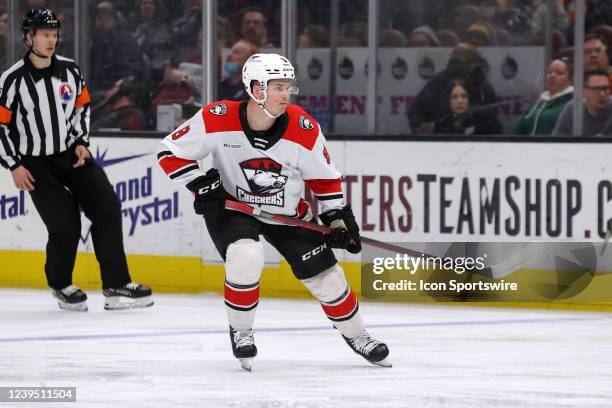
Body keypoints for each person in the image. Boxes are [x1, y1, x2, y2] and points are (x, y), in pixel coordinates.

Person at [158, 53, 390, 370]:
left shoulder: (302, 127)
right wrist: (202, 185)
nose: (285, 94)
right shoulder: (217, 116)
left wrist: (337, 218)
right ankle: (241, 332)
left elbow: (324, 177)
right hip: (233, 208)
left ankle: (358, 335)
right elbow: (170, 153)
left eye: (288, 87)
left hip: (288, 213)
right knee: (246, 256)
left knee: (327, 278)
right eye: (277, 87)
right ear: (255, 89)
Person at [0, 9, 153, 311]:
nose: (51, 40)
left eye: (54, 34)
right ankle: (61, 284)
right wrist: (14, 165)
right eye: (44, 34)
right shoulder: (12, 79)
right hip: (35, 163)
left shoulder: (70, 70)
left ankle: (116, 284)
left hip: (72, 154)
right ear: (29, 37)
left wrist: (82, 142)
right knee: (65, 223)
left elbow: (82, 109)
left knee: (107, 206)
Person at [407, 43, 497, 134]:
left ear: (476, 63)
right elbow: (417, 108)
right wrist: (420, 127)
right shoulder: (439, 82)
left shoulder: (482, 86)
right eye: (457, 61)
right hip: (441, 138)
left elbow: (492, 120)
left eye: (466, 63)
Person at [513, 58, 573, 135]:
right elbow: (518, 131)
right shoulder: (537, 104)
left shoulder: (573, 104)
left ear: (571, 80)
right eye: (549, 72)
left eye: (559, 73)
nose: (552, 75)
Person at [553, 69, 612, 136]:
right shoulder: (573, 109)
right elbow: (556, 141)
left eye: (606, 88)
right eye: (597, 89)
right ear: (584, 91)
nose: (602, 94)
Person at [433, 80, 502, 135]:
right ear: (449, 101)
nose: (460, 101)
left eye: (464, 96)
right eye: (454, 97)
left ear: (470, 99)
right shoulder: (443, 124)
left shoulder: (484, 118)